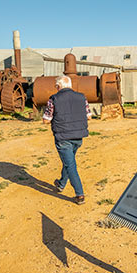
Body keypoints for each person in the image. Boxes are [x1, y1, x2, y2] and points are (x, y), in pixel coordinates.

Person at [42, 75, 91, 205]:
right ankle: (61, 183)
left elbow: (46, 120)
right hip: (78, 137)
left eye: (55, 86)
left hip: (63, 137)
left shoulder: (54, 99)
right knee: (69, 161)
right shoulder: (82, 97)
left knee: (70, 165)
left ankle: (79, 194)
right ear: (70, 85)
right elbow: (89, 116)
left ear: (58, 86)